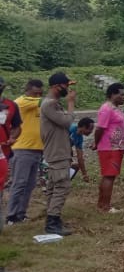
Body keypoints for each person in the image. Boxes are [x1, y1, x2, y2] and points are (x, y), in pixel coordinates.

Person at [38, 72, 77, 235]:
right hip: (57, 152)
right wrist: (71, 103)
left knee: (54, 187)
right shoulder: (49, 104)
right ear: (56, 86)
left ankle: (53, 219)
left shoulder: (52, 104)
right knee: (62, 186)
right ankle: (53, 222)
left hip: (58, 151)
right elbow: (67, 122)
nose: (68, 89)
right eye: (66, 85)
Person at [6, 79, 44, 225]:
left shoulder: (37, 105)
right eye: (35, 93)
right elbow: (46, 101)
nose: (38, 96)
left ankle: (21, 214)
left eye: (40, 93)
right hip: (22, 149)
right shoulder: (21, 102)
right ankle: (11, 215)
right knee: (19, 183)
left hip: (36, 149)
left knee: (30, 184)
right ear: (28, 91)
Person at [94, 83, 124, 212]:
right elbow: (100, 128)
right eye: (121, 94)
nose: (123, 97)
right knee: (109, 175)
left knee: (109, 176)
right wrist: (96, 143)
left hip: (116, 146)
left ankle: (102, 204)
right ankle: (106, 206)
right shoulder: (106, 108)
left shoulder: (115, 108)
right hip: (109, 147)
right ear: (112, 94)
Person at [0, 76, 22, 160]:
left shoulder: (11, 105)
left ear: (3, 87)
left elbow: (17, 126)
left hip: (4, 150)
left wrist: (12, 137)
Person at [69, 118, 95, 182]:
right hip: (54, 149)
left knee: (75, 166)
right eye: (90, 129)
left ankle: (65, 182)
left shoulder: (79, 137)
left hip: (63, 152)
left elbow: (80, 157)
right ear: (83, 127)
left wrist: (84, 174)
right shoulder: (71, 129)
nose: (91, 131)